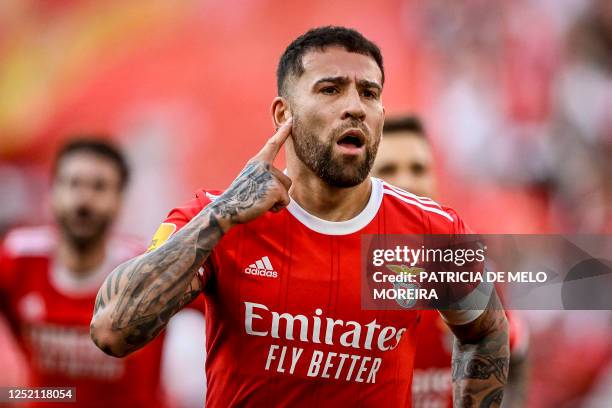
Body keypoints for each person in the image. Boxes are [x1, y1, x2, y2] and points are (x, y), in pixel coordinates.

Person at [91, 26, 509, 407]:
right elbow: (113, 330)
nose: (355, 107)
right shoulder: (218, 218)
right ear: (282, 115)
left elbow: (487, 332)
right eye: (330, 89)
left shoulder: (433, 233)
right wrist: (221, 216)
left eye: (369, 92)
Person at [0, 138, 194, 408]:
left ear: (120, 200)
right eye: (73, 184)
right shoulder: (17, 258)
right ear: (51, 193)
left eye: (99, 187)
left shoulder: (148, 269)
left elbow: (227, 303)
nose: (84, 199)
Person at [372, 115, 529, 407]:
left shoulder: (468, 271)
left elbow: (515, 354)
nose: (406, 181)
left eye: (418, 168)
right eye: (388, 169)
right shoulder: (335, 268)